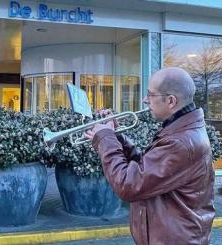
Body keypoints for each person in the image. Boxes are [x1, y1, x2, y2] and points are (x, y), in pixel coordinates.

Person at [85, 67, 215, 245]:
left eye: (150, 94)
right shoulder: (179, 130)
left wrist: (106, 139)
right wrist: (116, 137)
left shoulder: (181, 142)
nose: (145, 100)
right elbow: (146, 170)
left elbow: (128, 185)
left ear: (171, 101)